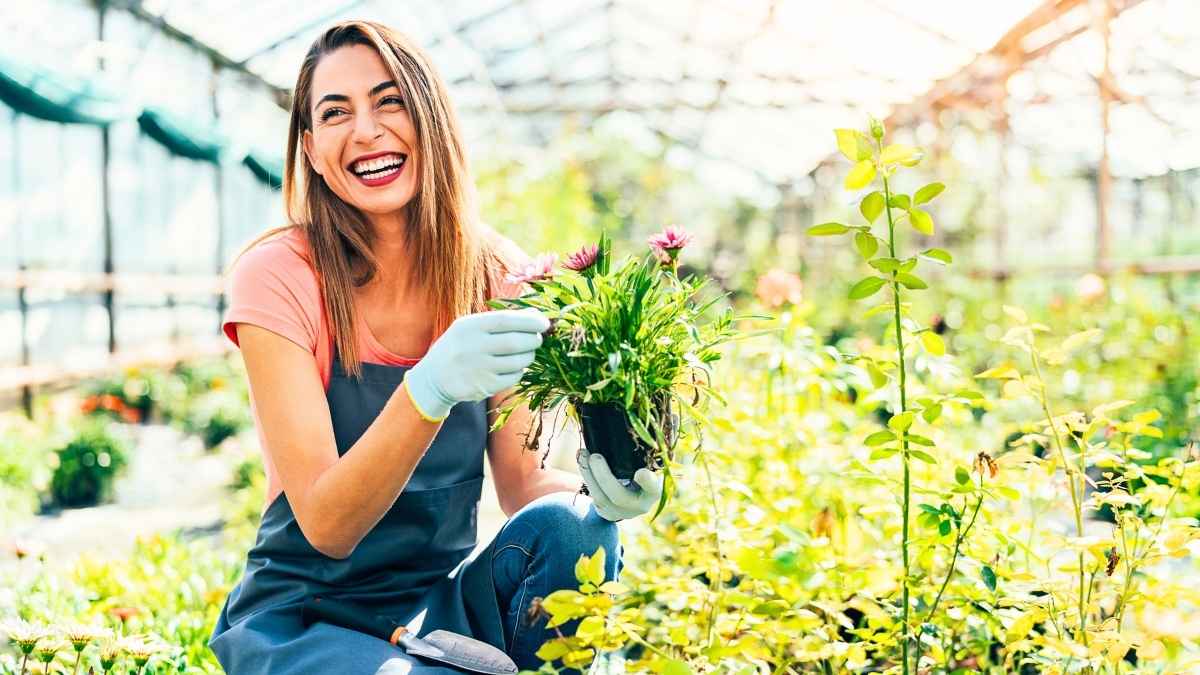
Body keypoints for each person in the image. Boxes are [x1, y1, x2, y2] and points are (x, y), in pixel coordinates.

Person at [208, 20, 663, 674]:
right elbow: (327, 526)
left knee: (573, 528)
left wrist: (608, 496)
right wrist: (430, 388)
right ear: (310, 148)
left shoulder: (494, 273)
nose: (364, 130)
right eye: (335, 113)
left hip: (438, 608)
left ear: (431, 118)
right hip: (308, 612)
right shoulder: (280, 275)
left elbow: (523, 482)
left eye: (389, 100)